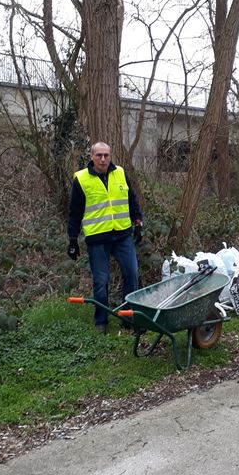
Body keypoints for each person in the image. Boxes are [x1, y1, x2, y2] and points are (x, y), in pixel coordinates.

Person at [67, 142, 143, 333]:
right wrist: (72, 240)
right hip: (97, 239)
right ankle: (101, 322)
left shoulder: (120, 173)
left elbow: (131, 199)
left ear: (110, 156)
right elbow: (75, 212)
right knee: (101, 281)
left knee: (132, 274)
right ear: (91, 156)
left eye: (106, 155)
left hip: (122, 235)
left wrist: (138, 222)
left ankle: (129, 317)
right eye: (99, 155)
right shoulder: (82, 179)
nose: (103, 159)